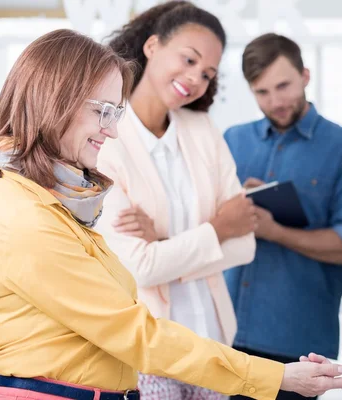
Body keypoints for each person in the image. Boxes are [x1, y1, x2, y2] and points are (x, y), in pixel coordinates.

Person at [0, 29, 342, 400]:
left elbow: (238, 246)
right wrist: (275, 375)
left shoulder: (52, 202)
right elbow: (137, 317)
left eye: (116, 113)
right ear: (54, 100)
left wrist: (165, 243)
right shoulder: (25, 215)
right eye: (102, 111)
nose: (112, 132)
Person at [94, 3, 255, 399]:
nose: (195, 78)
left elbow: (244, 244)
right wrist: (216, 230)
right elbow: (140, 270)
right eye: (188, 59)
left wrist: (165, 245)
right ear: (152, 46)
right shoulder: (106, 140)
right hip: (150, 351)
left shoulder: (202, 129)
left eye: (207, 73)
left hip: (214, 345)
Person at [223, 33, 342, 400]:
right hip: (223, 337)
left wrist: (275, 230)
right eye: (262, 92)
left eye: (283, 86)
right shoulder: (233, 141)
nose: (275, 101)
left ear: (306, 75)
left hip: (296, 344)